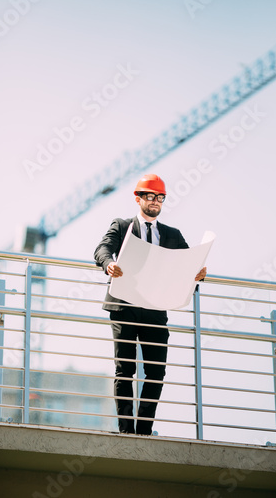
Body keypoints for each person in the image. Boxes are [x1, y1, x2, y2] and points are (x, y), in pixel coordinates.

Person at [94, 174, 206, 435]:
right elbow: (102, 248)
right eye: (151, 196)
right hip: (124, 308)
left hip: (155, 310)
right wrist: (108, 264)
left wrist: (197, 275)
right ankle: (126, 430)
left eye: (160, 197)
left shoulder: (172, 235)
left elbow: (188, 266)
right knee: (125, 369)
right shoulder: (122, 226)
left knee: (156, 372)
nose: (156, 201)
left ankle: (143, 431)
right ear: (138, 198)